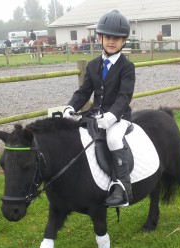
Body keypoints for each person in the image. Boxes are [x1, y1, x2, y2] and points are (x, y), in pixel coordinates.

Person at [63, 10, 135, 207]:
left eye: (117, 38)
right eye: (108, 37)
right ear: (100, 38)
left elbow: (124, 96)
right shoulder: (93, 65)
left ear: (123, 41)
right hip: (96, 114)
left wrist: (112, 117)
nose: (111, 41)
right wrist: (70, 106)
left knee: (112, 138)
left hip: (119, 117)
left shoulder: (127, 67)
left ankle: (122, 187)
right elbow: (84, 91)